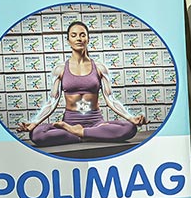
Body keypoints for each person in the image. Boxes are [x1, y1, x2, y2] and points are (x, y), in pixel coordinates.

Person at [17, 21, 145, 147]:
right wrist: (34, 122)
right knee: (37, 134)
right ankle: (90, 135)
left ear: (88, 39)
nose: (78, 38)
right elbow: (52, 102)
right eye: (74, 35)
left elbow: (110, 99)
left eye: (82, 35)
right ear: (68, 40)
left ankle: (79, 133)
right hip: (69, 123)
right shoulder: (60, 69)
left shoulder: (100, 68)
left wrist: (131, 118)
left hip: (96, 123)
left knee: (129, 128)